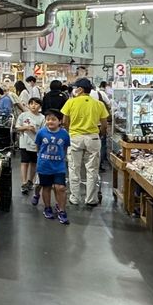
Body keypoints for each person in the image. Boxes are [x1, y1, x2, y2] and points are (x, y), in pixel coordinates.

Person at [61, 79, 110, 208]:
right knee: (92, 170)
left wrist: (71, 131)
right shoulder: (99, 104)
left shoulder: (70, 102)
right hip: (93, 138)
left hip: (75, 138)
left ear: (80, 89)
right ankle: (91, 199)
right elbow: (104, 124)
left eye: (75, 88)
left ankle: (75, 198)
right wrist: (100, 134)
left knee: (74, 168)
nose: (74, 90)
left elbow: (65, 121)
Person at [33, 110, 70, 225]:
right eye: (48, 119)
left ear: (60, 121)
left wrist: (62, 158)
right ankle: (47, 207)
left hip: (59, 166)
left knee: (60, 188)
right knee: (46, 187)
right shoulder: (41, 133)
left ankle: (62, 210)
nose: (50, 121)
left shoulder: (64, 134)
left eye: (53, 119)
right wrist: (41, 158)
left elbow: (65, 148)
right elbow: (38, 147)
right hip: (44, 165)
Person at [15, 97, 42, 195]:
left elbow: (43, 132)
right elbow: (17, 127)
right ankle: (24, 182)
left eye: (36, 104)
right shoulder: (23, 115)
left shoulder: (42, 118)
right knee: (24, 162)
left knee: (33, 163)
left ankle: (30, 181)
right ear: (28, 105)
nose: (33, 106)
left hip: (36, 144)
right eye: (31, 103)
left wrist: (34, 131)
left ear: (40, 106)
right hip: (24, 142)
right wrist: (26, 127)